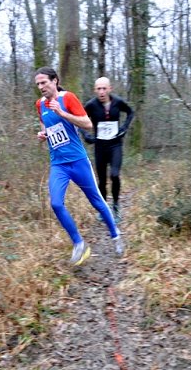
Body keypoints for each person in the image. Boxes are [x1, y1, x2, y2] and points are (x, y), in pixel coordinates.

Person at [34, 67, 125, 265]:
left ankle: (115, 234)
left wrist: (62, 113)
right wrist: (43, 134)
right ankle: (79, 243)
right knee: (56, 203)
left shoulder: (67, 98)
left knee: (96, 201)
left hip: (78, 161)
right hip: (58, 164)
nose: (41, 87)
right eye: (38, 84)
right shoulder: (40, 104)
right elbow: (45, 125)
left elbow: (87, 124)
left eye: (44, 82)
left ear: (55, 81)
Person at [83, 77, 134, 222]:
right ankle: (103, 208)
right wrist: (86, 135)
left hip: (115, 145)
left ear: (110, 89)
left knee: (114, 175)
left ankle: (116, 206)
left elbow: (130, 112)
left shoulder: (118, 102)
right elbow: (80, 119)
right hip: (100, 146)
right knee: (102, 180)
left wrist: (124, 128)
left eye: (104, 88)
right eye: (99, 89)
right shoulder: (91, 105)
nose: (101, 92)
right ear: (95, 90)